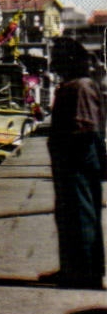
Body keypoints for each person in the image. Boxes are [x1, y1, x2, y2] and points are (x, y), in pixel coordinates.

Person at [46, 38, 105, 289]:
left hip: (77, 159)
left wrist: (71, 157)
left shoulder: (80, 87)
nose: (53, 62)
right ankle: (72, 268)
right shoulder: (73, 85)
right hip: (70, 160)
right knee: (69, 215)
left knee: (81, 215)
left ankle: (85, 273)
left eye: (57, 56)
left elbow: (85, 129)